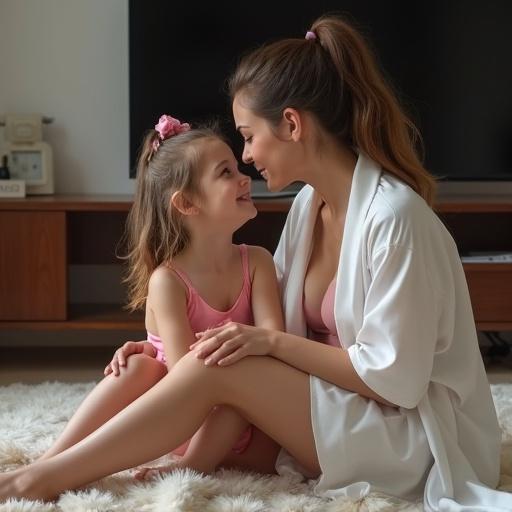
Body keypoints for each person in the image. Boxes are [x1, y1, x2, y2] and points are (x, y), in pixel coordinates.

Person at [1, 14, 511, 510]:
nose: (246, 156)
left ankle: (40, 479)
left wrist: (270, 342)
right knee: (206, 362)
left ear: (291, 124)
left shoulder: (395, 220)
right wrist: (159, 345)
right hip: (341, 408)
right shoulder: (310, 208)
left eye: (247, 135)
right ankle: (49, 469)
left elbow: (395, 381)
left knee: (222, 369)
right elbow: (262, 328)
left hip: (412, 439)